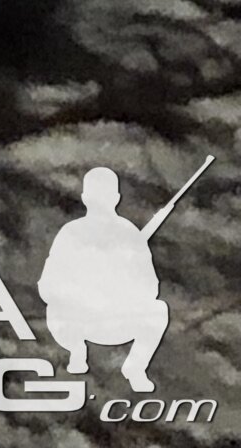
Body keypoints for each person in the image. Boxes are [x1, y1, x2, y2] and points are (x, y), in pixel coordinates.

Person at [40, 166, 172, 389]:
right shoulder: (71, 234)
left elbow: (150, 289)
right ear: (116, 198)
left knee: (158, 310)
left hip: (117, 321)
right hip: (78, 321)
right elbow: (47, 287)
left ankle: (135, 368)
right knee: (55, 309)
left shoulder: (130, 235)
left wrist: (121, 282)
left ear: (85, 197)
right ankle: (76, 351)